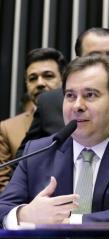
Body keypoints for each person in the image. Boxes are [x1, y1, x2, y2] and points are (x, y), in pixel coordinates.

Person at [0, 55, 109, 228]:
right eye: (70, 95)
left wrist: (68, 222)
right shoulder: (38, 152)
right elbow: (3, 209)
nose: (77, 106)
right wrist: (24, 215)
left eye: (90, 95)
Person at [14, 27, 109, 160]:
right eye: (96, 55)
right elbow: (24, 160)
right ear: (79, 61)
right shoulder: (49, 102)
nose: (106, 61)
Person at [0, 48, 66, 192]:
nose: (40, 83)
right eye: (33, 78)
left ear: (63, 79)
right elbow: (2, 181)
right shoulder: (7, 128)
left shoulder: (79, 120)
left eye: (48, 76)